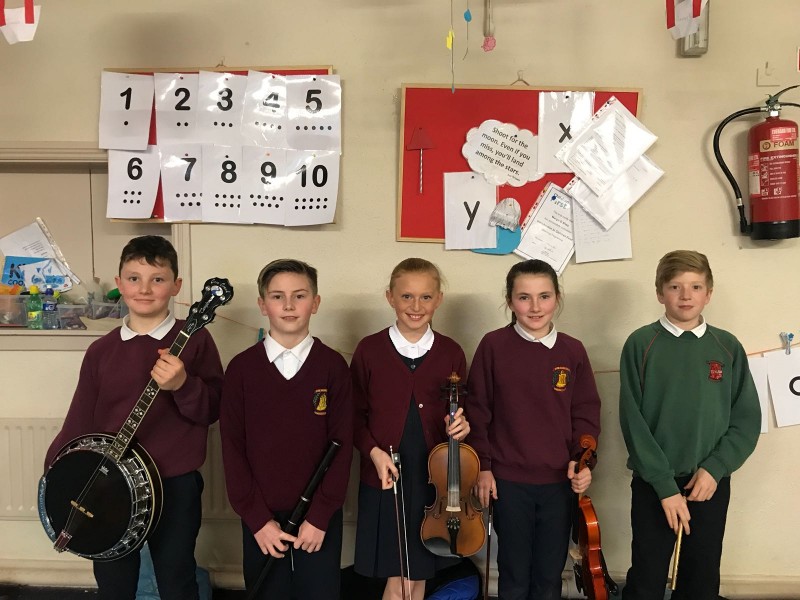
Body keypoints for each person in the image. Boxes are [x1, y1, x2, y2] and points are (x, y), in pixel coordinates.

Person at [43, 235, 224, 600]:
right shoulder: (101, 350)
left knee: (176, 578)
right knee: (113, 580)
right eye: (134, 278)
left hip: (173, 484)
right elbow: (80, 419)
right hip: (109, 482)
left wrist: (183, 385)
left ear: (176, 285)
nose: (144, 289)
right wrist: (55, 475)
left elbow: (213, 410)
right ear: (120, 283)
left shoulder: (195, 340)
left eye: (157, 279)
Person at [619, 250, 761, 600]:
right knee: (648, 575)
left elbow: (746, 419)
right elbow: (633, 421)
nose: (686, 295)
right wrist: (664, 486)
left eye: (695, 286)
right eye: (675, 287)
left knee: (701, 576)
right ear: (659, 293)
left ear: (708, 293)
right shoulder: (641, 344)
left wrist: (715, 468)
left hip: (708, 483)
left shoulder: (727, 346)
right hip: (655, 483)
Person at [468, 258, 601, 600]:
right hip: (508, 482)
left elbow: (585, 413)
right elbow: (478, 412)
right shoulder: (493, 346)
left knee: (549, 575)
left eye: (544, 296)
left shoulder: (572, 350)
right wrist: (484, 467)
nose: (535, 307)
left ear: (557, 297)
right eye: (524, 297)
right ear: (510, 301)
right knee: (513, 573)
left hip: (558, 483)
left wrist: (582, 462)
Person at [220, 258, 353, 600]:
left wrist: (321, 515)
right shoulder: (241, 369)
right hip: (261, 517)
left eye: (300, 296)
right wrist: (256, 519)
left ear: (316, 302)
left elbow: (343, 445)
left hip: (318, 517)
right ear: (263, 305)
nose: (289, 305)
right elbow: (232, 448)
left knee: (319, 593)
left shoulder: (333, 367)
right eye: (277, 297)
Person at [352, 258, 470, 600]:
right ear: (390, 297)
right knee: (398, 581)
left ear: (439, 299)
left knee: (418, 577)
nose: (416, 306)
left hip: (434, 481)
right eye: (406, 296)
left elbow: (463, 411)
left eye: (426, 297)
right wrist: (374, 453)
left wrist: (462, 426)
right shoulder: (369, 350)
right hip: (385, 475)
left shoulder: (451, 352)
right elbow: (352, 416)